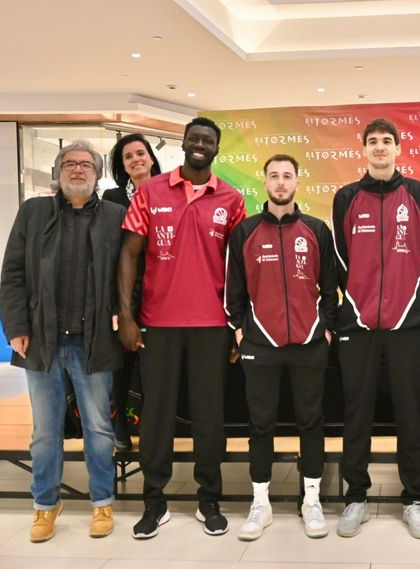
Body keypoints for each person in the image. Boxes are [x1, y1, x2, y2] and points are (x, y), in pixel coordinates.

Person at [117, 117, 246, 539]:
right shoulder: (151, 192)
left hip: (212, 326)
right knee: (155, 417)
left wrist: (235, 326)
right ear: (183, 144)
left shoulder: (232, 198)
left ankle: (209, 499)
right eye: (194, 139)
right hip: (159, 325)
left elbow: (238, 269)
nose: (199, 145)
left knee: (210, 416)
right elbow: (129, 256)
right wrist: (128, 316)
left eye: (208, 141)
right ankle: (154, 502)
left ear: (216, 149)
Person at [0, 141, 125, 542]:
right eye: (69, 163)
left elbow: (130, 276)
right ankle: (44, 505)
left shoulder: (114, 217)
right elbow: (13, 273)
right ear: (58, 171)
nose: (77, 170)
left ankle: (102, 501)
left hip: (95, 342)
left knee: (99, 431)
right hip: (43, 342)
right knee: (45, 432)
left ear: (97, 173)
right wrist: (16, 325)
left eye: (86, 164)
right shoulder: (33, 212)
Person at [332, 118, 420, 539]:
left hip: (408, 323)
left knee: (410, 413)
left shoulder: (418, 194)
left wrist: (411, 303)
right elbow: (340, 259)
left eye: (386, 141)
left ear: (398, 148)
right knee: (356, 413)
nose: (379, 148)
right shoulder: (346, 196)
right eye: (372, 142)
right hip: (357, 323)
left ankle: (413, 499)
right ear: (363, 149)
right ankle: (355, 496)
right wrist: (355, 304)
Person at [225, 154, 337, 540]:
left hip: (309, 343)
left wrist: (324, 330)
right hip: (261, 344)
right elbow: (233, 292)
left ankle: (311, 501)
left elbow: (331, 289)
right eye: (274, 175)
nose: (281, 182)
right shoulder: (245, 232)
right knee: (261, 423)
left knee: (311, 421)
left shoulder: (317, 229)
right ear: (265, 182)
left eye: (287, 176)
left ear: (297, 183)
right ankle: (261, 503)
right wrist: (241, 332)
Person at [103, 133, 162, 450]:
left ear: (151, 157)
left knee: (155, 364)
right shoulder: (112, 199)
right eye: (129, 156)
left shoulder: (170, 191)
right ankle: (120, 424)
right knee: (122, 361)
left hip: (162, 288)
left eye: (141, 153)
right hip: (125, 289)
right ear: (122, 166)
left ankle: (155, 427)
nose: (136, 159)